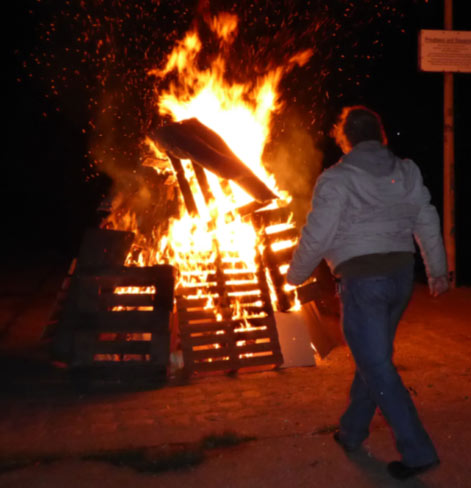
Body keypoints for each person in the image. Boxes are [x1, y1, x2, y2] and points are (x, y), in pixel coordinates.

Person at [287, 106, 449, 480]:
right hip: (400, 278)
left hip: (363, 284)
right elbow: (426, 218)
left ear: (345, 138)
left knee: (376, 363)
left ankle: (418, 451)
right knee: (371, 357)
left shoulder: (337, 178)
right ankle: (352, 432)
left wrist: (295, 275)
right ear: (381, 134)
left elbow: (319, 234)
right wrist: (437, 271)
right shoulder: (406, 170)